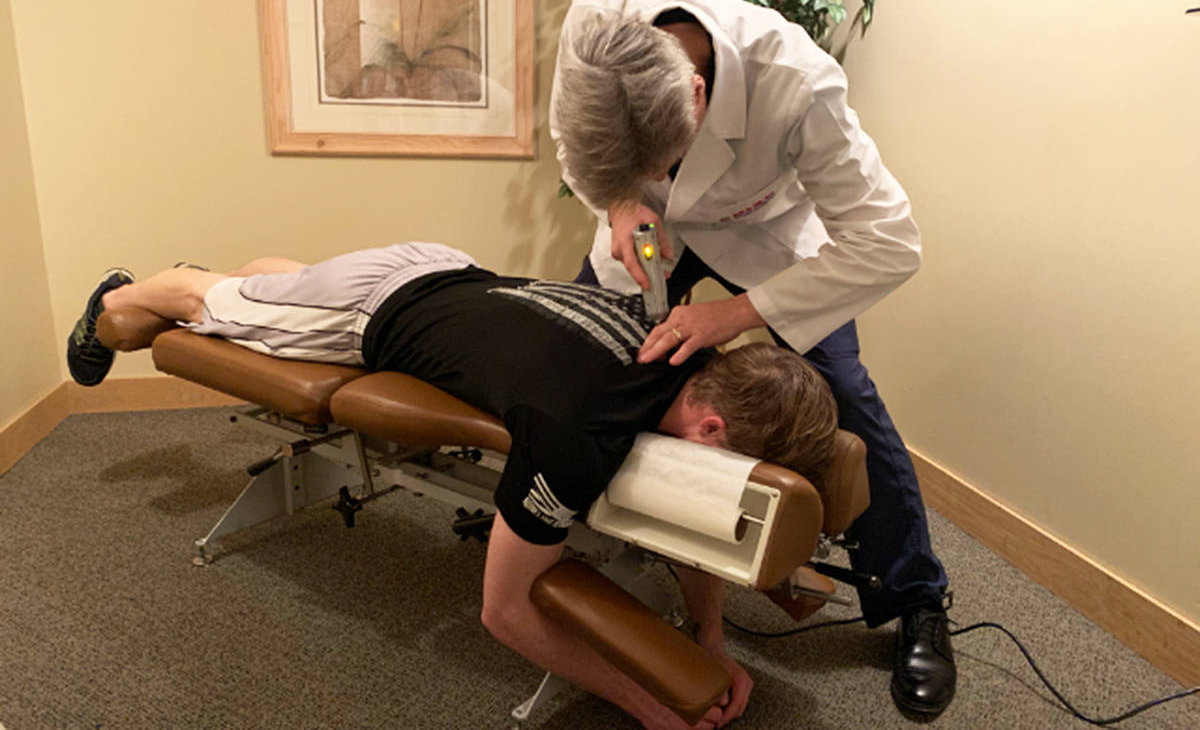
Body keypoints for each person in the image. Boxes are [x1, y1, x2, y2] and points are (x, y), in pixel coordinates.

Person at [66, 241, 839, 730]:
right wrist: (647, 705)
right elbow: (504, 612)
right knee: (194, 303)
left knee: (280, 286)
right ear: (711, 430)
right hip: (370, 313)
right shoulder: (575, 438)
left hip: (443, 266)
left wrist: (710, 640)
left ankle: (241, 284)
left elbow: (700, 515)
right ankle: (123, 294)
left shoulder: (693, 346)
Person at [550, 0, 956, 716]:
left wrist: (736, 315)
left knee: (841, 393)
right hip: (650, 232)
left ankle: (915, 596)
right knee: (591, 357)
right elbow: (574, 143)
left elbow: (891, 244)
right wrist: (621, 201)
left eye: (666, 158)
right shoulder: (593, 25)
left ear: (697, 94)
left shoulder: (796, 81)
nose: (665, 175)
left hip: (765, 233)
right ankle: (566, 528)